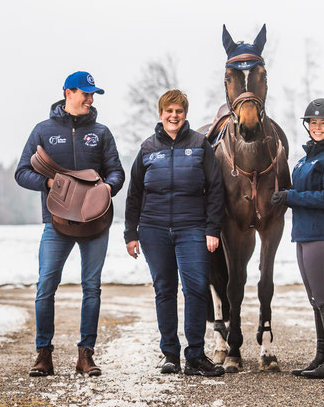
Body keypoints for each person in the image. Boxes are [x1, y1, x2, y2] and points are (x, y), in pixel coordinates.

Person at [15, 71, 125, 377]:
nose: (90, 99)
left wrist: (107, 188)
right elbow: (22, 172)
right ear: (68, 93)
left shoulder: (101, 133)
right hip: (57, 221)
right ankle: (43, 355)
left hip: (95, 223)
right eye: (85, 93)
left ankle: (85, 355)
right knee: (45, 286)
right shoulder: (43, 130)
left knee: (92, 288)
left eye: (93, 95)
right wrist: (48, 181)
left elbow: (117, 171)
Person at [124, 89, 225, 377]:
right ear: (161, 114)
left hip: (192, 228)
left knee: (195, 289)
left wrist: (212, 228)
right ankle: (170, 354)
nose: (174, 115)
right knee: (164, 290)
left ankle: (195, 356)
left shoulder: (199, 144)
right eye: (169, 110)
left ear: (185, 114)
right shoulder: (147, 148)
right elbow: (134, 194)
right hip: (153, 230)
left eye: (179, 111)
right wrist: (131, 233)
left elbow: (215, 188)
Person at [271, 98, 324, 380]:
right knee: (315, 299)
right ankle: (321, 357)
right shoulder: (306, 160)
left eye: (323, 123)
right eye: (313, 123)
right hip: (304, 233)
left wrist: (290, 196)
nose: (317, 127)